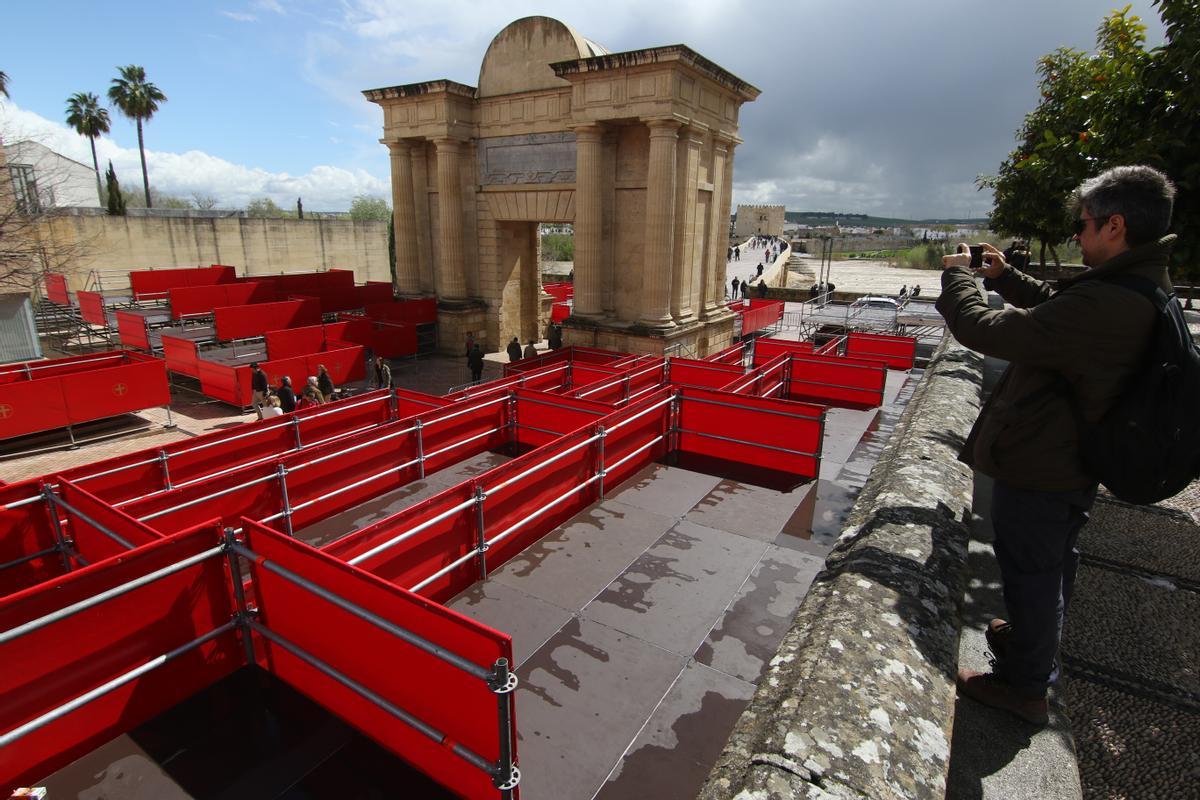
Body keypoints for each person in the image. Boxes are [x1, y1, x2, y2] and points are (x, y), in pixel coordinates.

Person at [938, 165, 1176, 726]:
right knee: (1051, 564)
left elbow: (987, 332)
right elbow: (1059, 315)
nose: (1077, 234)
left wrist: (958, 279)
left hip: (1046, 460)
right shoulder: (1137, 283)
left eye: (1084, 224)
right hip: (1071, 457)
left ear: (1115, 225)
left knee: (1033, 571)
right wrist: (1007, 277)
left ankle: (1024, 688)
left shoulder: (1111, 299)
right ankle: (1029, 648)